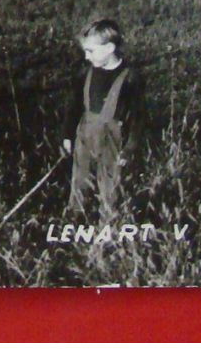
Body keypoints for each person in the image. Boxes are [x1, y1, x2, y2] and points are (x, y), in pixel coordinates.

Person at [62, 17, 145, 218]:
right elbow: (74, 106)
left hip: (112, 139)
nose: (87, 56)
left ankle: (109, 228)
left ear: (109, 48)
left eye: (90, 51)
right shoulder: (85, 73)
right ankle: (76, 223)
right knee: (80, 182)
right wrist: (67, 135)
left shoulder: (131, 77)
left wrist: (130, 148)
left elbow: (138, 117)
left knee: (111, 187)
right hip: (85, 134)